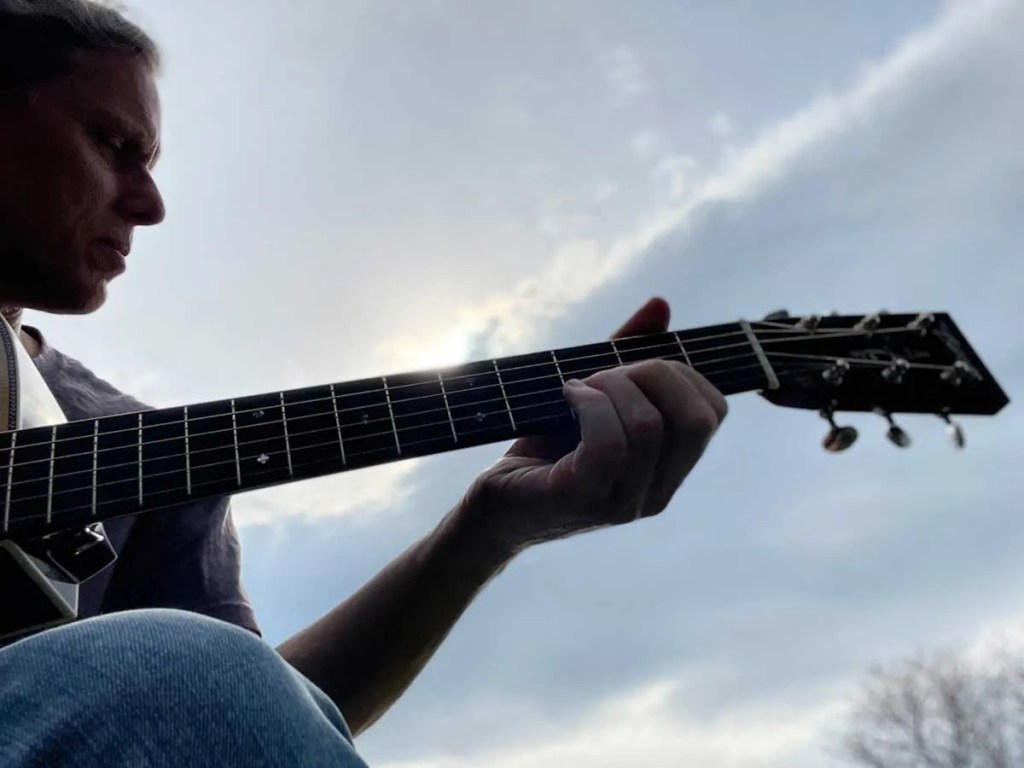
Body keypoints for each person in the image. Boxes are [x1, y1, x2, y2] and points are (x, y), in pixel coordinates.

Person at [0, 1, 727, 766]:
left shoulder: (151, 454)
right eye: (115, 146)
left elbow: (249, 715)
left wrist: (484, 530)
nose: (150, 204)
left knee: (198, 672)